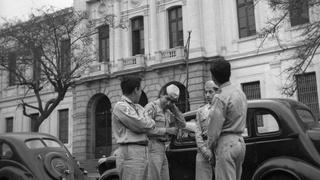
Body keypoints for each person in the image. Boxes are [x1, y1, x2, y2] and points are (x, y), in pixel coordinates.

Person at [207, 59, 247, 180]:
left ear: (214, 78)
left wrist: (210, 147)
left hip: (225, 144)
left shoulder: (221, 97)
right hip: (240, 141)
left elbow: (214, 130)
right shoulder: (240, 93)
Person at [112, 75, 156, 180]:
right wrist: (147, 121)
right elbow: (140, 125)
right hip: (130, 152)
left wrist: (147, 122)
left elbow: (150, 125)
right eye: (140, 89)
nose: (141, 92)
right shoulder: (121, 106)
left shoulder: (138, 107)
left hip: (143, 150)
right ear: (136, 89)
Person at [144, 84, 186, 180]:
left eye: (172, 101)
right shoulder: (151, 107)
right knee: (154, 177)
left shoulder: (168, 110)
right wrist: (167, 130)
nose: (168, 103)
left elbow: (183, 124)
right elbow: (147, 130)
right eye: (167, 99)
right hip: (152, 146)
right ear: (162, 94)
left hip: (163, 148)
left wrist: (174, 108)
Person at [195, 80, 219, 180]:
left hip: (218, 148)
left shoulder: (222, 108)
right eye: (206, 92)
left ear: (217, 92)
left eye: (210, 92)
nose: (207, 95)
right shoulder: (201, 111)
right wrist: (205, 150)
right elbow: (197, 132)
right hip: (203, 149)